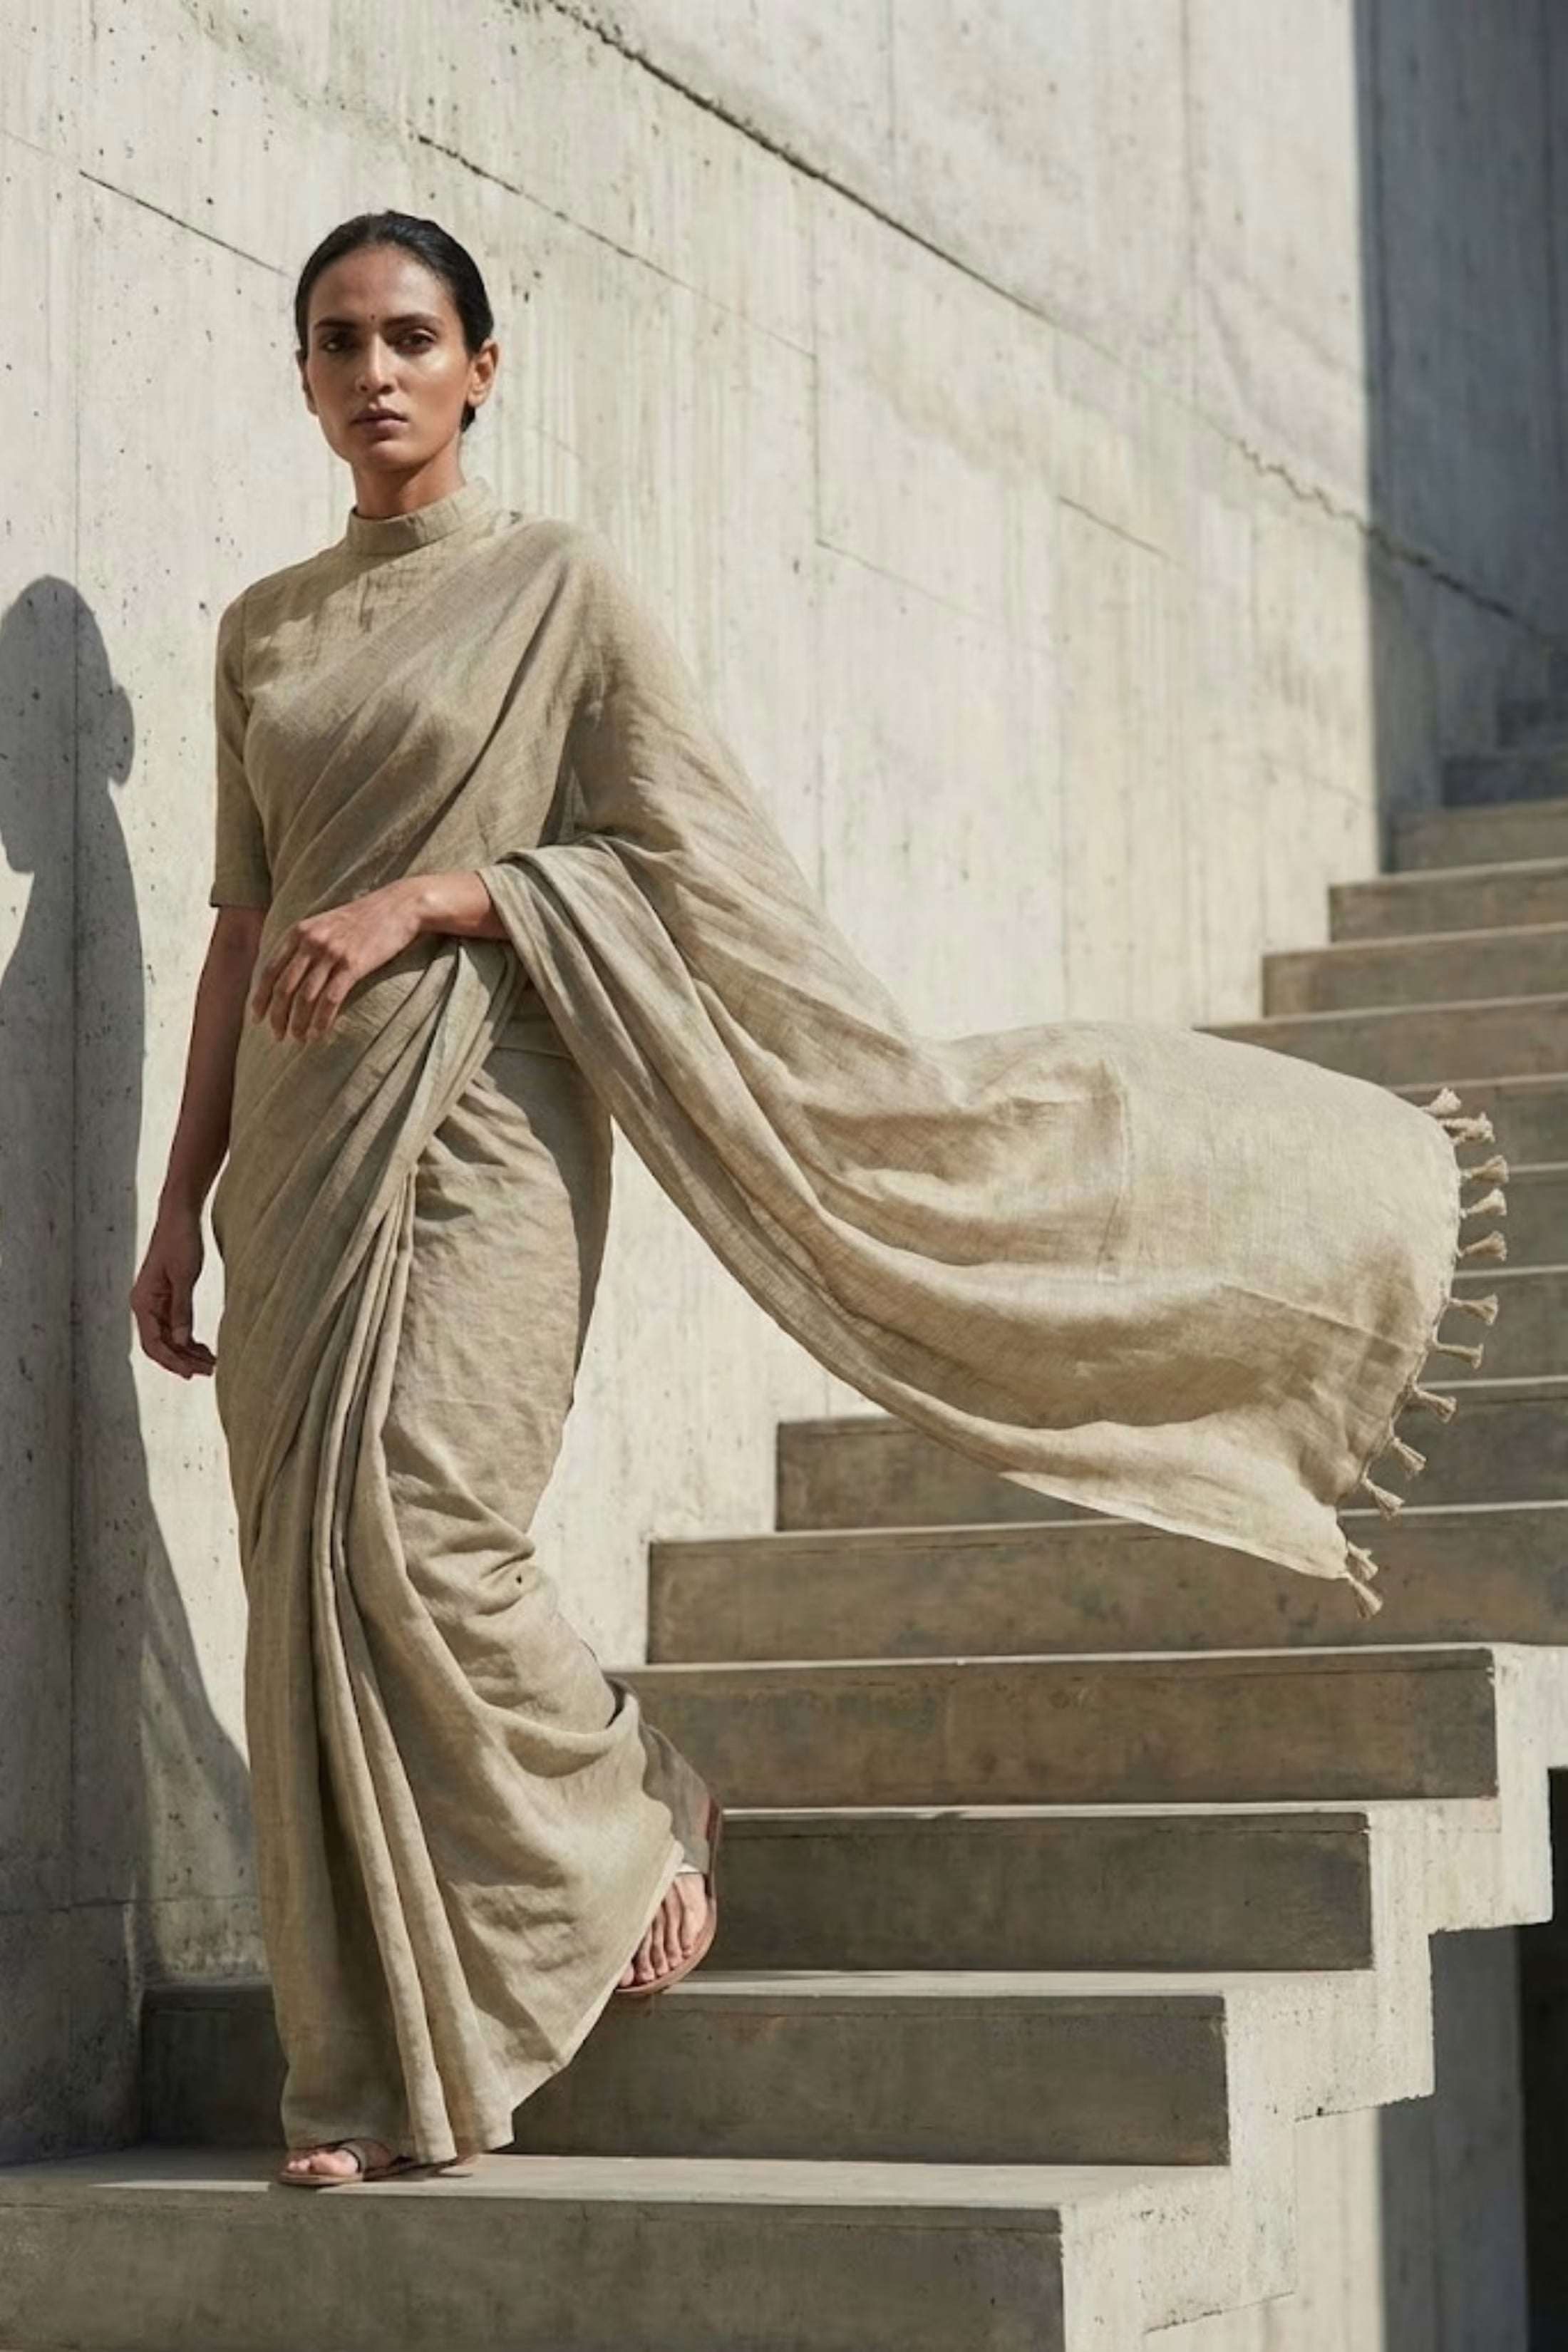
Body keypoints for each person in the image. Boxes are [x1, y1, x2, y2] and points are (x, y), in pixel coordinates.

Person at [130, 209, 1507, 2189]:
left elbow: (676, 860)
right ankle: (360, 2072)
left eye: (412, 336)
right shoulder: (264, 628)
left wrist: (444, 894)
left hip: (499, 1108)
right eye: (338, 341)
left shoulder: (561, 589)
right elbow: (241, 925)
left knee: (425, 1522)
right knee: (308, 1585)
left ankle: (641, 1801)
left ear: (483, 365)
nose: (375, 374)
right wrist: (180, 1202)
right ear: (307, 374)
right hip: (300, 1149)